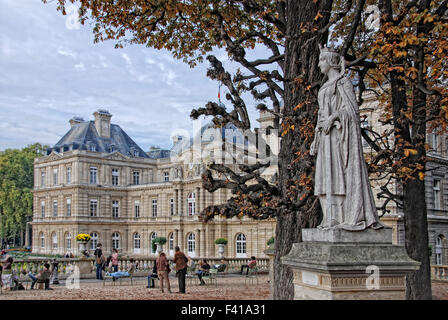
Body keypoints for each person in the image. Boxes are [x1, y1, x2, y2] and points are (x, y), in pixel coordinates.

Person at [310, 44, 384, 231]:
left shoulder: (343, 83)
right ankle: (328, 218)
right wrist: (315, 138)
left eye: (321, 61)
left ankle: (341, 217)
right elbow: (320, 114)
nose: (319, 65)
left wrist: (334, 117)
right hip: (325, 137)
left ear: (330, 62)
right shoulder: (325, 86)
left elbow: (352, 112)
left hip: (338, 137)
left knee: (337, 177)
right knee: (323, 179)